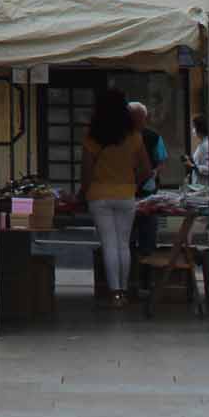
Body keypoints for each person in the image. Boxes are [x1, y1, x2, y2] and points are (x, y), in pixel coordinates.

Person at [80, 89, 153, 308]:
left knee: (109, 244)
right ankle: (125, 290)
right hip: (126, 194)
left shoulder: (92, 137)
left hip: (99, 195)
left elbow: (86, 172)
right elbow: (146, 169)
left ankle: (115, 293)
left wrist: (82, 193)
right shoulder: (134, 137)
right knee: (124, 244)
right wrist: (133, 182)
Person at [128, 101, 168, 263]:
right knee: (135, 235)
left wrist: (154, 172)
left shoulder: (153, 137)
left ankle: (142, 268)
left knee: (144, 231)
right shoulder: (120, 137)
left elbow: (160, 161)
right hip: (128, 192)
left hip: (144, 191)